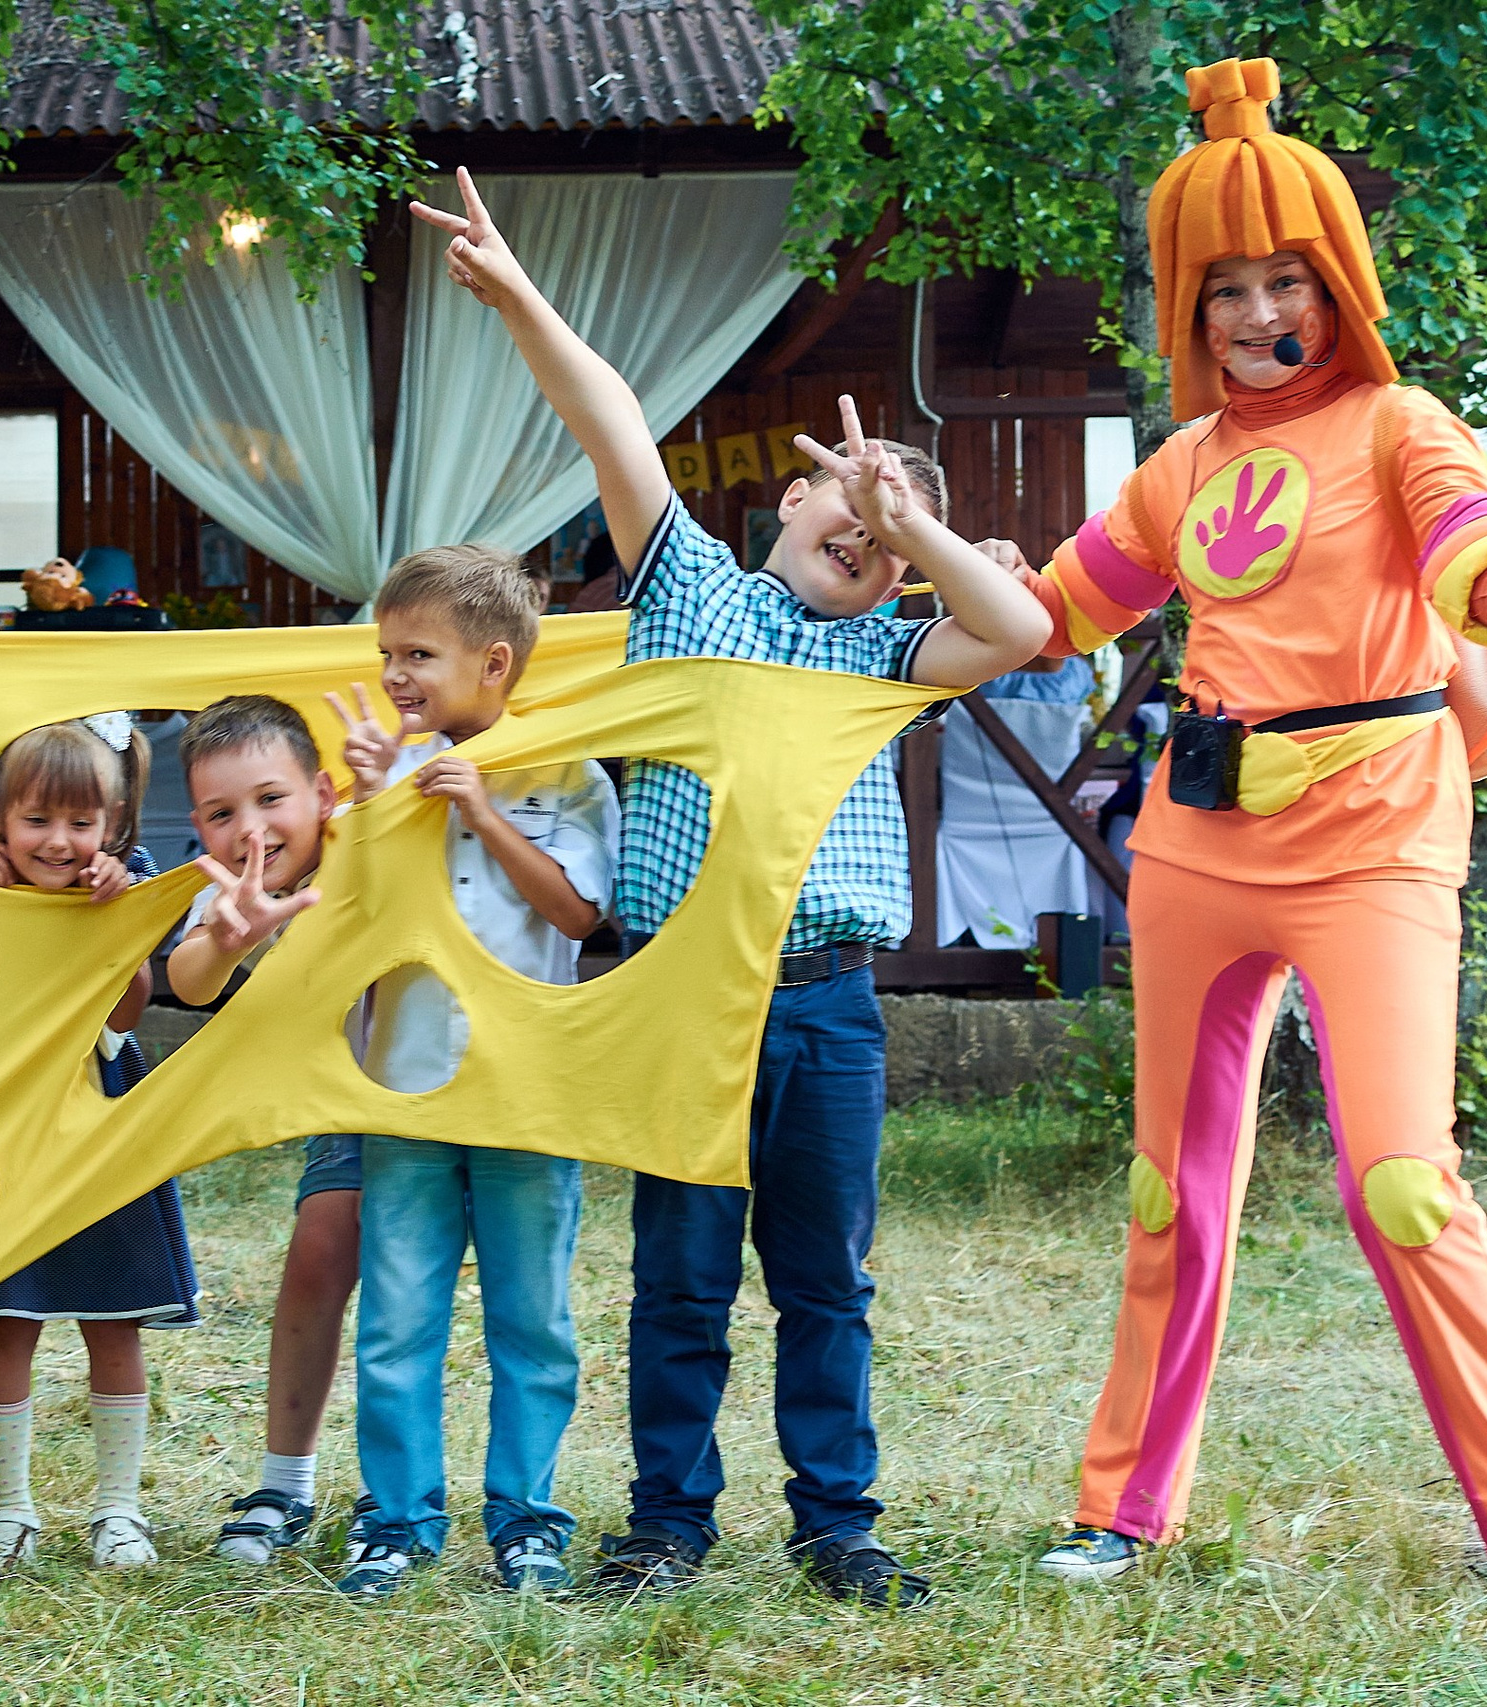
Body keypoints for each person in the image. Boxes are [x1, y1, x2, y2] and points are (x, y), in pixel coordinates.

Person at [409, 167, 1050, 1607]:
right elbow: (612, 422)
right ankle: (666, 1521)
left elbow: (1011, 624)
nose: (871, 521)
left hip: (827, 1008)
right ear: (786, 501)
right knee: (681, 1274)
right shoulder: (695, 594)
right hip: (680, 996)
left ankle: (837, 1521)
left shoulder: (893, 650)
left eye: (894, 522)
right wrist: (520, 300)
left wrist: (914, 527)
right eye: (849, 489)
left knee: (824, 1278)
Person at [1016, 60, 1487, 1583]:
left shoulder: (1398, 424)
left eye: (1281, 278)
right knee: (1168, 1185)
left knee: (1399, 1176)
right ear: (1187, 302)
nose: (1250, 312)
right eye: (1221, 284)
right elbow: (1051, 615)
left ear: (1334, 284)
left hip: (1370, 835)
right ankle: (1119, 1503)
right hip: (1194, 837)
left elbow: (1472, 559)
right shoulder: (1178, 467)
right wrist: (902, 552)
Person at [320, 547, 619, 1598]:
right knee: (396, 1314)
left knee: (531, 1320)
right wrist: (362, 804)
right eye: (385, 651)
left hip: (528, 1094)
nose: (396, 672)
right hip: (402, 1086)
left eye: (419, 653)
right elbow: (341, 927)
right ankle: (395, 1521)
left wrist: (483, 810)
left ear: (492, 663)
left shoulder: (569, 773)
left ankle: (526, 1518)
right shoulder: (381, 772)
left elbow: (579, 915)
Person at [0, 718, 198, 1572]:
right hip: (6, 1125)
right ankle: (11, 1513)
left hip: (96, 1117)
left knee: (115, 1321)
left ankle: (118, 1509)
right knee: (11, 1319)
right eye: (37, 821)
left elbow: (128, 1010)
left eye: (80, 823)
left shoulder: (128, 889)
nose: (59, 842)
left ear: (111, 824)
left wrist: (119, 927)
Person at [162, 698, 366, 1567]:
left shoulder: (373, 828)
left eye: (271, 799)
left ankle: (402, 1497)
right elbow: (188, 977)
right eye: (220, 812)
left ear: (324, 793)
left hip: (448, 1093)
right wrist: (227, 934)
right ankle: (285, 1481)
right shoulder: (228, 886)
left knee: (409, 1298)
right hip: (350, 1106)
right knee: (317, 1257)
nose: (250, 828)